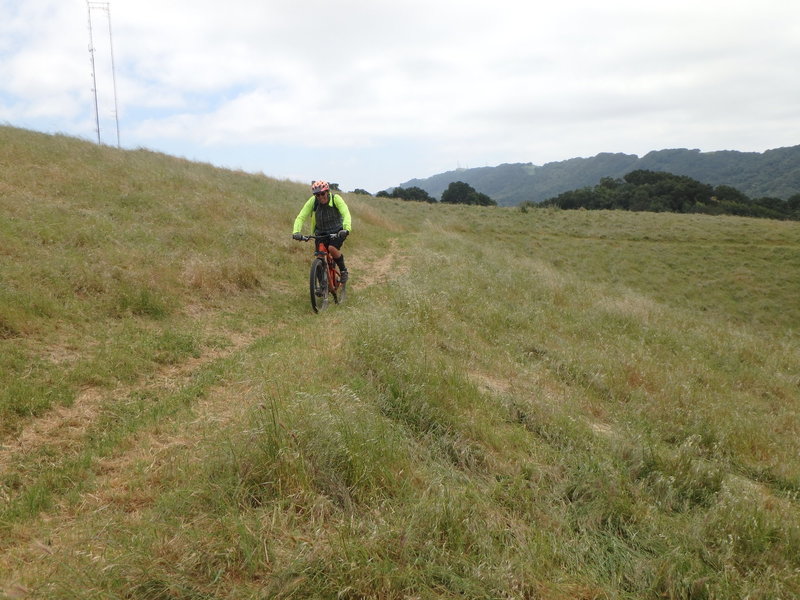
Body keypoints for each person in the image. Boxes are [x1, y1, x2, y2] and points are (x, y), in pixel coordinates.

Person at [292, 180, 351, 282]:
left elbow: (346, 213)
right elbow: (301, 216)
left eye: (322, 193)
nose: (320, 197)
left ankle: (343, 271)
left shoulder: (336, 199)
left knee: (332, 248)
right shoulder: (313, 201)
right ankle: (322, 286)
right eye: (317, 195)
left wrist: (346, 229)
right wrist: (296, 232)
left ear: (327, 192)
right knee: (319, 256)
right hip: (321, 233)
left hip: (337, 231)